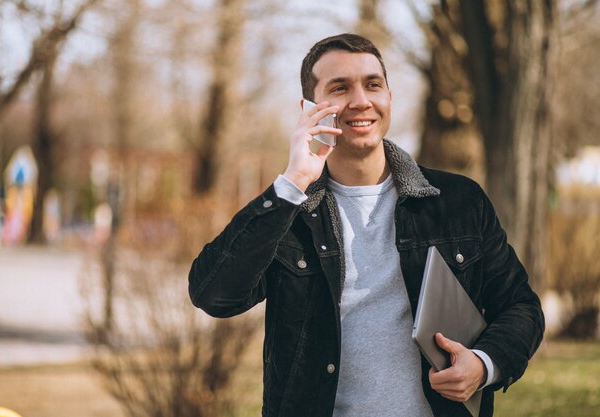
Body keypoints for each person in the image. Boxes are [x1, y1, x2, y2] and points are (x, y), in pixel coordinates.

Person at [188, 33, 544, 417]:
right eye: (340, 88)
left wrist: (483, 363)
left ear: (389, 97)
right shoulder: (288, 212)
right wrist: (293, 182)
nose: (361, 101)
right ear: (310, 107)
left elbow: (520, 307)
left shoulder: (458, 201)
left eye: (373, 84)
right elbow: (214, 295)